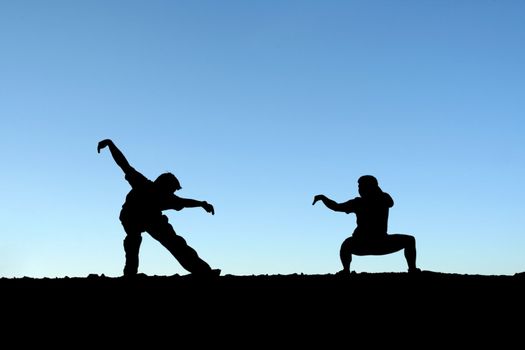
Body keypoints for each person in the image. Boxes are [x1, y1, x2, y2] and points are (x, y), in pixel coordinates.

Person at [97, 139, 220, 277]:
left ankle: (202, 270)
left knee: (174, 242)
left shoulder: (167, 197)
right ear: (163, 186)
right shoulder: (143, 184)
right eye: (171, 190)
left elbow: (185, 202)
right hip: (131, 216)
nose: (172, 194)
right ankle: (130, 273)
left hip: (152, 218)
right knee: (133, 240)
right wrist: (110, 144)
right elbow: (123, 163)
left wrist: (202, 204)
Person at [312, 175, 420, 275]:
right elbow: (336, 207)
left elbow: (390, 203)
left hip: (381, 241)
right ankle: (346, 270)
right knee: (346, 245)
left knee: (409, 240)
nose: (359, 189)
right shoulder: (358, 202)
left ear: (372, 187)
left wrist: (322, 198)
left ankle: (412, 270)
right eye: (359, 186)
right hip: (362, 243)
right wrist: (323, 198)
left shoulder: (383, 198)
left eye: (362, 186)